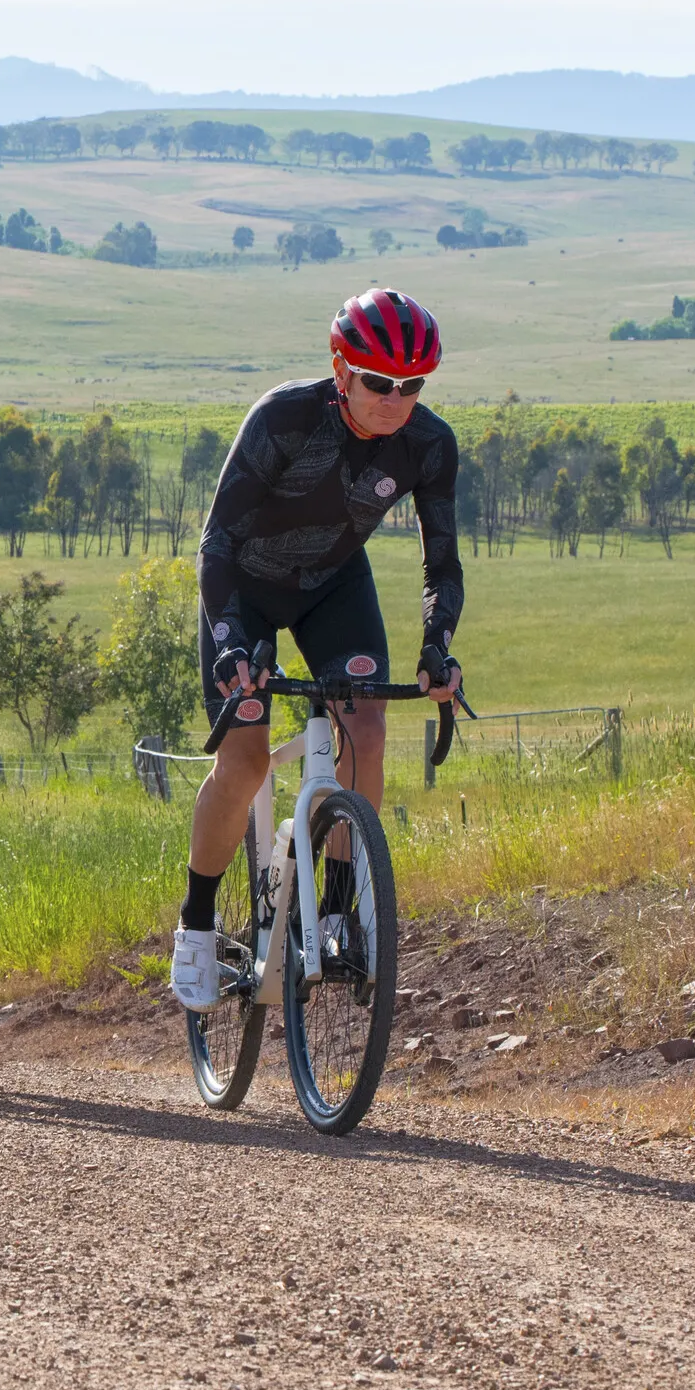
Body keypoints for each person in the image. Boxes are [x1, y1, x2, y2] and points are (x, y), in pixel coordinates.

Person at [171, 289, 465, 1009]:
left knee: (365, 725)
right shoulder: (284, 419)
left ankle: (335, 909)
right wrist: (232, 644)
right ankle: (198, 922)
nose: (396, 399)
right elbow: (217, 543)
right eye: (378, 382)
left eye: (412, 385)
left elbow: (442, 564)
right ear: (341, 369)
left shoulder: (429, 445)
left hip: (332, 585)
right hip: (243, 588)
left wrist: (438, 645)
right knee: (241, 758)